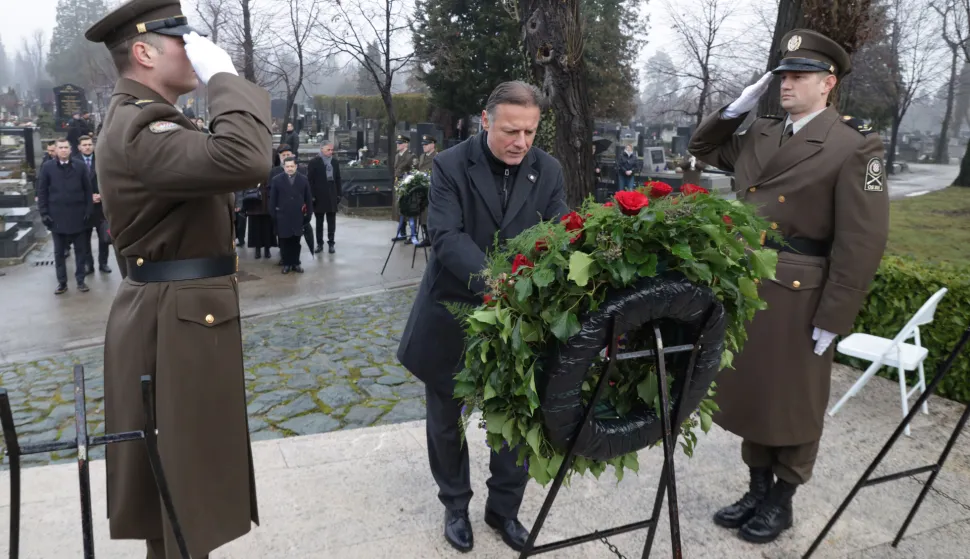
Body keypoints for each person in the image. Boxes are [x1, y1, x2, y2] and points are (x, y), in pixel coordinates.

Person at [84, 1, 272, 557]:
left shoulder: (148, 117)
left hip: (179, 315)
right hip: (174, 322)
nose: (193, 51)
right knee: (181, 494)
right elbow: (246, 156)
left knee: (182, 490)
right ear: (143, 52)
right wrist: (224, 78)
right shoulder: (142, 124)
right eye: (181, 41)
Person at [688, 29, 889, 544]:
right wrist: (737, 106)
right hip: (751, 283)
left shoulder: (854, 146)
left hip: (802, 292)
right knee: (756, 394)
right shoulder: (763, 133)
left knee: (795, 400)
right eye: (782, 75)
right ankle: (756, 488)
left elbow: (861, 240)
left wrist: (835, 315)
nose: (786, 84)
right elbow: (703, 146)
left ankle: (782, 500)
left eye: (799, 76)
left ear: (829, 83)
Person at [397, 81, 569, 553]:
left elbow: (559, 232)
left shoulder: (548, 170)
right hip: (452, 311)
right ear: (485, 119)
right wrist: (500, 282)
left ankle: (504, 509)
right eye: (511, 130)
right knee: (446, 421)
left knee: (514, 418)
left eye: (530, 132)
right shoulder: (450, 164)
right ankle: (455, 505)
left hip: (519, 320)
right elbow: (446, 236)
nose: (521, 142)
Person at [36, 137, 94, 294]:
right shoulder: (48, 167)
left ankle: (81, 280)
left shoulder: (80, 167)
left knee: (81, 251)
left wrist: (89, 210)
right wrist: (44, 213)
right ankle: (62, 282)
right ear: (55, 150)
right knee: (59, 253)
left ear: (70, 149)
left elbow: (88, 190)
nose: (63, 150)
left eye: (65, 147)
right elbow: (42, 192)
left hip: (78, 216)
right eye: (60, 147)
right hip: (57, 217)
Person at [77, 135, 112, 275]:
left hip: (100, 207)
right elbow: (73, 185)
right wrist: (88, 197)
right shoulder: (74, 162)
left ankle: (103, 263)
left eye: (89, 144)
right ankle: (88, 264)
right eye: (84, 145)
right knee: (84, 239)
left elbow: (109, 181)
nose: (87, 147)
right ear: (79, 147)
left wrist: (102, 196)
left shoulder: (102, 161)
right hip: (84, 207)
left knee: (104, 237)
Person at [270, 156, 313, 273]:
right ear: (284, 167)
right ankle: (287, 263)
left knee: (296, 241)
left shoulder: (303, 179)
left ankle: (295, 263)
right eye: (287, 166)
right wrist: (273, 215)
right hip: (282, 216)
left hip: (298, 215)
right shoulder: (276, 180)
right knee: (284, 241)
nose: (289, 168)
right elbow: (272, 199)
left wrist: (308, 214)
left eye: (292, 166)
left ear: (296, 166)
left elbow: (308, 198)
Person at [306, 142, 341, 254]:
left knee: (331, 221)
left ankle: (331, 243)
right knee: (319, 222)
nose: (331, 152)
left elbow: (338, 178)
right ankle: (319, 244)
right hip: (319, 195)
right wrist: (311, 195)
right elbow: (310, 180)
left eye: (332, 150)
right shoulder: (314, 162)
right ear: (322, 149)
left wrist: (339, 193)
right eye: (328, 150)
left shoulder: (335, 162)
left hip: (331, 194)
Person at [412, 134, 438, 248]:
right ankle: (426, 237)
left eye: (426, 144)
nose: (424, 147)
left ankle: (432, 238)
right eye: (423, 145)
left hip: (431, 189)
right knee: (422, 214)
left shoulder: (437, 157)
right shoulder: (422, 156)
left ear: (433, 145)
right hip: (421, 190)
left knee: (428, 214)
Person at [391, 134, 417, 243]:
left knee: (409, 210)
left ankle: (413, 235)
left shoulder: (411, 156)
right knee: (399, 210)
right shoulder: (397, 156)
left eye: (400, 143)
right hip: (398, 184)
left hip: (407, 185)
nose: (398, 145)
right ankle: (402, 233)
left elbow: (415, 171)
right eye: (397, 143)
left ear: (406, 144)